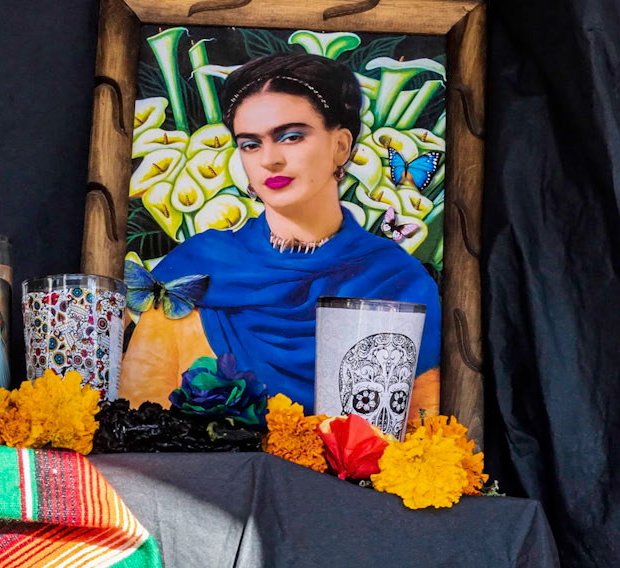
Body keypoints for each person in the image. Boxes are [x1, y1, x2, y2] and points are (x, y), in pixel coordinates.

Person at [120, 51, 441, 414]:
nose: (269, 159)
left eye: (290, 137)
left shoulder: (397, 281)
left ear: (341, 146)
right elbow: (140, 422)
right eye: (250, 144)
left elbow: (420, 441)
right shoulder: (195, 271)